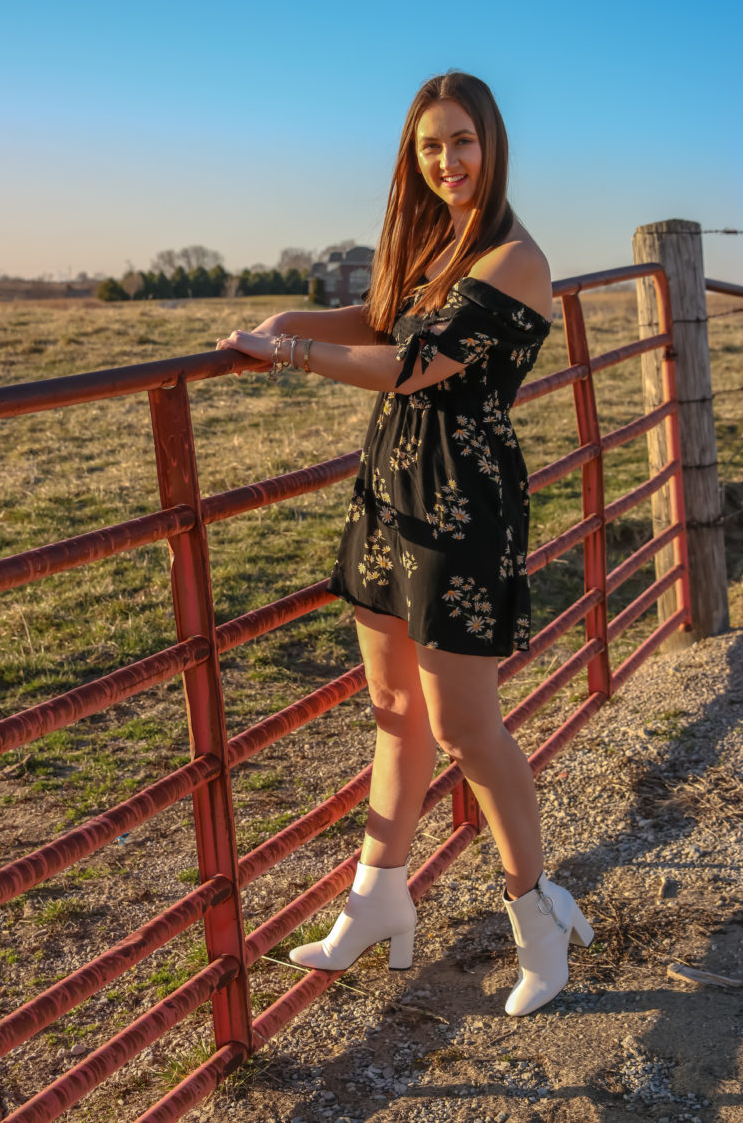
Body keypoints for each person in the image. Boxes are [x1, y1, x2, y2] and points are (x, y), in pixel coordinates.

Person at [216, 71, 592, 1016]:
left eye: (461, 142)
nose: (447, 161)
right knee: (392, 705)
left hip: (463, 508)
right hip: (392, 494)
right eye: (431, 146)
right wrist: (289, 323)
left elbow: (410, 366)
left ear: (492, 145)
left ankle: (538, 918)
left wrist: (291, 357)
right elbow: (377, 321)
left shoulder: (512, 258)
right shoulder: (433, 241)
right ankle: (380, 900)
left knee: (467, 725)